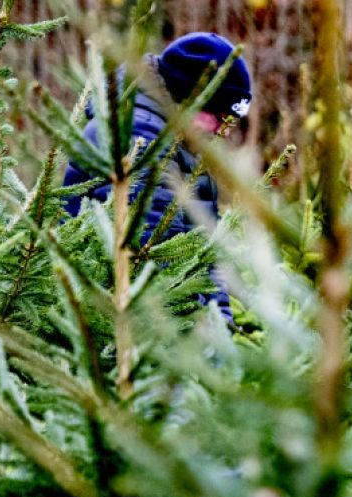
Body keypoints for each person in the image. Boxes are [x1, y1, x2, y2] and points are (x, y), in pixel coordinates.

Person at [61, 32, 253, 324]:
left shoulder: (183, 141)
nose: (224, 131)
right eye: (220, 117)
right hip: (113, 325)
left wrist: (221, 327)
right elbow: (157, 255)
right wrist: (201, 341)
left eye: (232, 121)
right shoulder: (141, 137)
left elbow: (203, 252)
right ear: (190, 97)